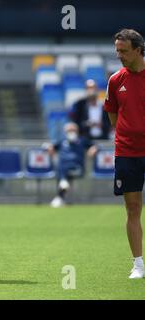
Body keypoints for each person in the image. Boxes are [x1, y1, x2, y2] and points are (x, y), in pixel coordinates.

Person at [104, 29, 145, 279]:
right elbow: (113, 115)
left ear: (139, 50)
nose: (119, 55)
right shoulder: (115, 80)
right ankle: (138, 264)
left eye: (124, 51)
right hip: (127, 153)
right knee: (132, 208)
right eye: (117, 50)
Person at [45, 122, 97, 208]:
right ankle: (61, 193)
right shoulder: (62, 141)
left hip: (77, 168)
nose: (71, 132)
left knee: (62, 169)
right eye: (69, 131)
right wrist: (50, 149)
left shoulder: (82, 140)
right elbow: (52, 147)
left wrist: (93, 149)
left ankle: (60, 193)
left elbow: (95, 145)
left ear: (77, 131)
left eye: (73, 130)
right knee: (61, 167)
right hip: (63, 168)